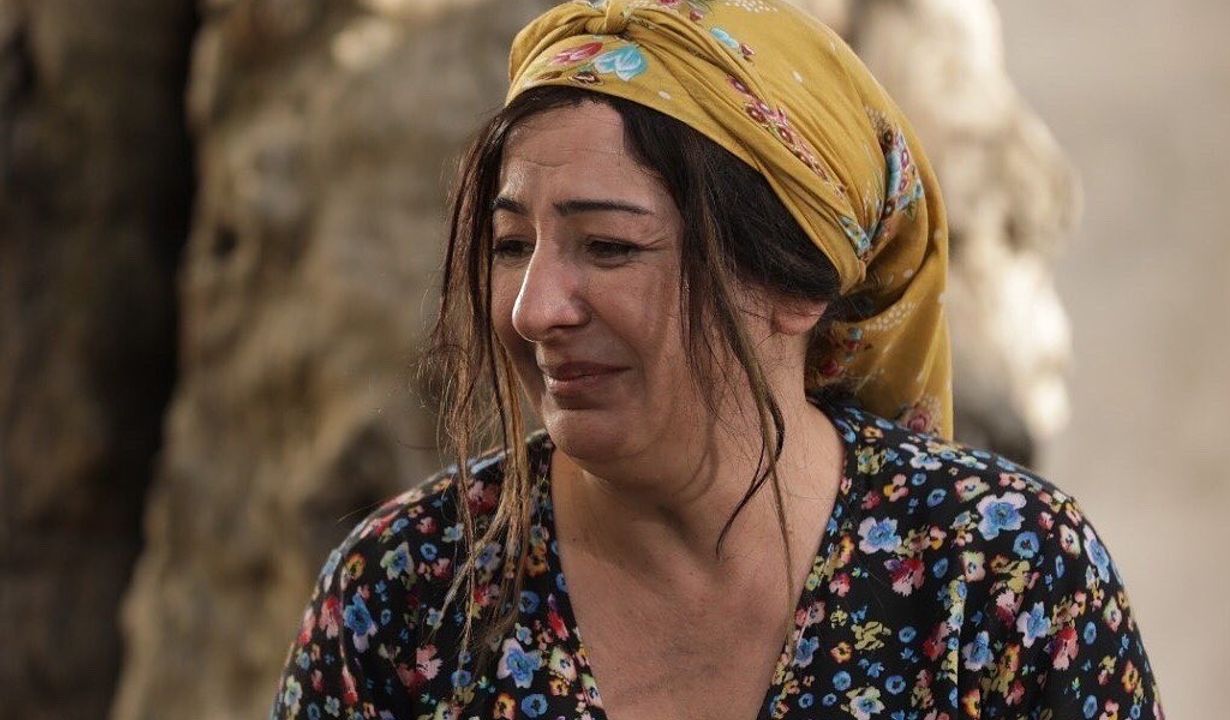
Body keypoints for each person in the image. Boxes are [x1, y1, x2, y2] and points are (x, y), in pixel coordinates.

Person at [270, 1, 1163, 718]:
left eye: (610, 247)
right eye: (511, 245)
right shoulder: (406, 594)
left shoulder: (1002, 577)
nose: (535, 310)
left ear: (794, 285)